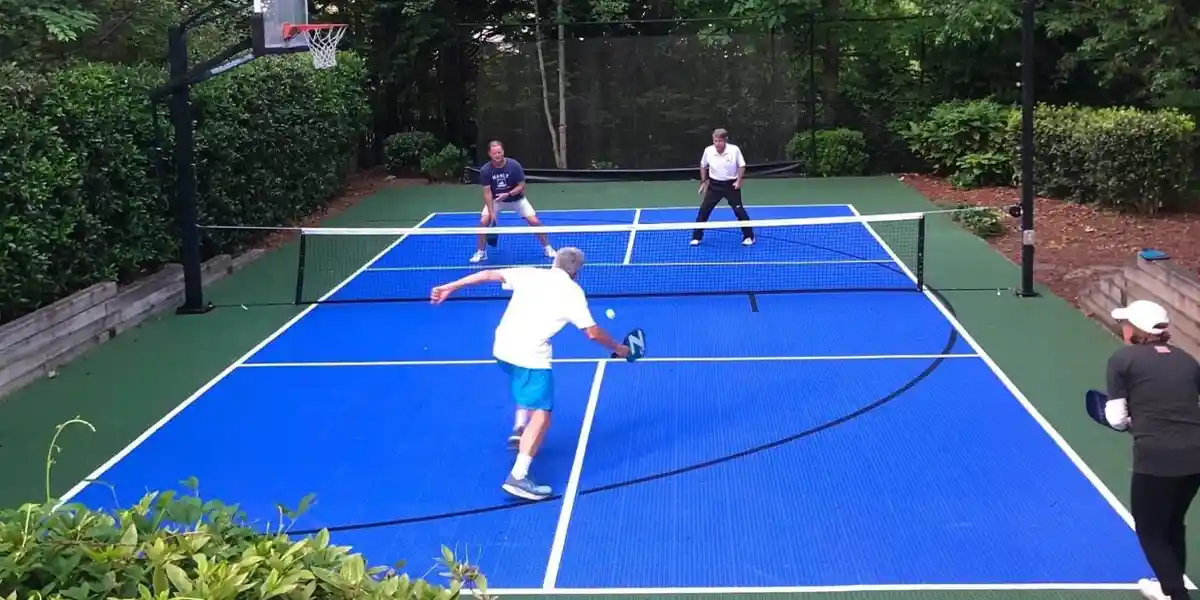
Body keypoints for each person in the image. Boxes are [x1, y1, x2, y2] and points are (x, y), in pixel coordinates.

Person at [430, 247, 630, 501]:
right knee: (543, 414)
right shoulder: (572, 292)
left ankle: (519, 427)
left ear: (554, 262)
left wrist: (450, 286)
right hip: (530, 357)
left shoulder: (529, 274)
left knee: (523, 381)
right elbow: (591, 332)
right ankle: (519, 477)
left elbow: (488, 274)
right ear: (576, 271)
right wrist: (618, 348)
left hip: (502, 349)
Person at [1103, 299, 1200, 600]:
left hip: (1156, 458)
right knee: (1172, 522)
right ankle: (1168, 587)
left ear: (1137, 331)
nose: (1123, 328)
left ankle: (1176, 595)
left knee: (1149, 530)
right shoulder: (1188, 361)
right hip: (1196, 456)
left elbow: (1117, 419)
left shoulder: (1123, 360)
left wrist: (1133, 421)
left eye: (1126, 324)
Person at [471, 140, 554, 264]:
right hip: (496, 200)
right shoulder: (486, 170)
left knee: (535, 222)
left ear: (503, 151)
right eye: (494, 153)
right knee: (483, 222)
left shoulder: (514, 165)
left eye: (499, 152)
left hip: (517, 199)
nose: (497, 155)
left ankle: (548, 248)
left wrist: (508, 194)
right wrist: (491, 212)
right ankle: (481, 252)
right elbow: (487, 193)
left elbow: (521, 186)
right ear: (490, 154)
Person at [692, 128, 754, 247]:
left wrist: (739, 179)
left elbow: (741, 165)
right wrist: (703, 181)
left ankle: (749, 236)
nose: (717, 144)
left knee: (739, 211)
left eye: (720, 141)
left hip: (731, 185)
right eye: (715, 141)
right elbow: (703, 165)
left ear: (725, 140)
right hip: (714, 185)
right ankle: (696, 237)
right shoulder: (708, 151)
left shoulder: (734, 150)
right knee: (704, 210)